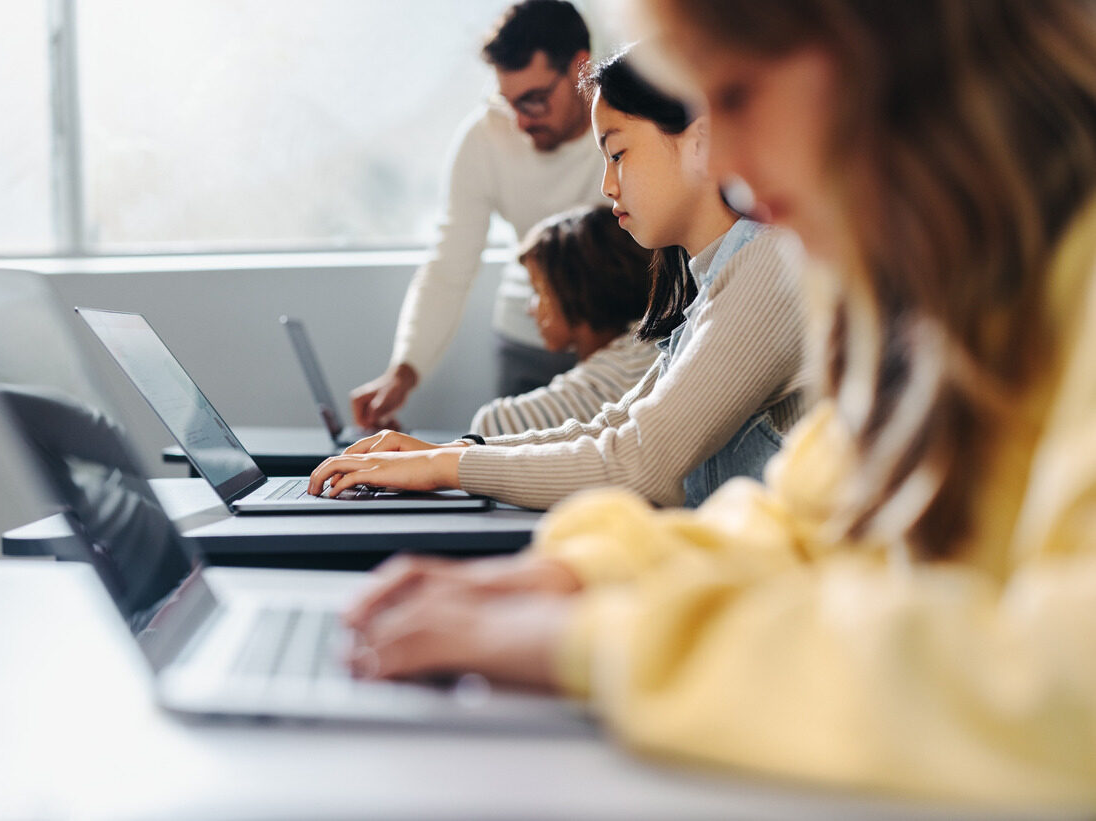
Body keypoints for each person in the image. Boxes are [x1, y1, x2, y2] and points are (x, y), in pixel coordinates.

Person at [334, 0, 1096, 805]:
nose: (722, 162)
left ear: (886, 57)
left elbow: (1062, 693)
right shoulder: (950, 293)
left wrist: (600, 642)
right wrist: (579, 574)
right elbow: (810, 520)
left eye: (734, 96)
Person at [309, 50, 807, 512]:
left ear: (700, 143)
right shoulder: (721, 280)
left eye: (616, 154)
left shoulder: (772, 261)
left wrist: (444, 467)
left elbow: (641, 463)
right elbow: (613, 425)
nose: (606, 186)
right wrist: (455, 452)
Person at [350, 0, 607, 431]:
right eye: (509, 102)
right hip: (528, 341)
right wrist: (405, 370)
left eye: (535, 100)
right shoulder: (484, 137)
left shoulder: (630, 124)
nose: (521, 122)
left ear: (581, 67)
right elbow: (449, 265)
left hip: (626, 342)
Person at [470, 204, 657, 437]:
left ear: (574, 291)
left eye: (538, 291)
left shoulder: (613, 380)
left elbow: (491, 425)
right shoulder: (648, 349)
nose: (530, 308)